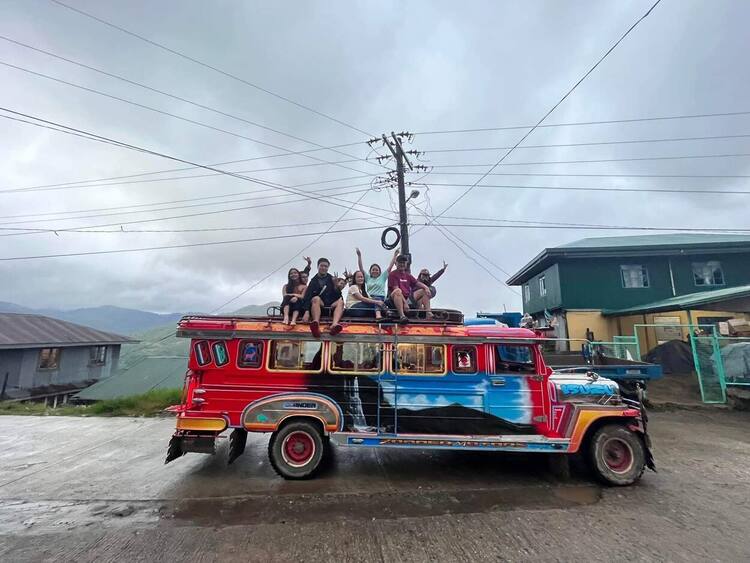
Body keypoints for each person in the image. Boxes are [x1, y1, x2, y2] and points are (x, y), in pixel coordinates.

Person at [302, 257, 345, 337]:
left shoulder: (332, 279)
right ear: (318, 266)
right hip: (319, 306)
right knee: (316, 298)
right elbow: (307, 297)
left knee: (341, 301)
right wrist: (306, 311)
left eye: (326, 266)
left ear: (328, 267)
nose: (324, 268)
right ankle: (316, 323)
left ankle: (334, 324)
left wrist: (336, 287)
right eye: (322, 266)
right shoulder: (313, 281)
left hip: (331, 306)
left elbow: (338, 296)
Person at [386, 254, 431, 324]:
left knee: (423, 291)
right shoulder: (392, 274)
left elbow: (417, 283)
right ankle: (402, 316)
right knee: (398, 291)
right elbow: (396, 290)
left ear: (406, 264)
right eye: (400, 262)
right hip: (395, 300)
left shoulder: (408, 275)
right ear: (396, 263)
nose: (402, 264)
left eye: (403, 263)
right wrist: (405, 303)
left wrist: (426, 287)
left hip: (407, 298)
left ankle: (428, 313)